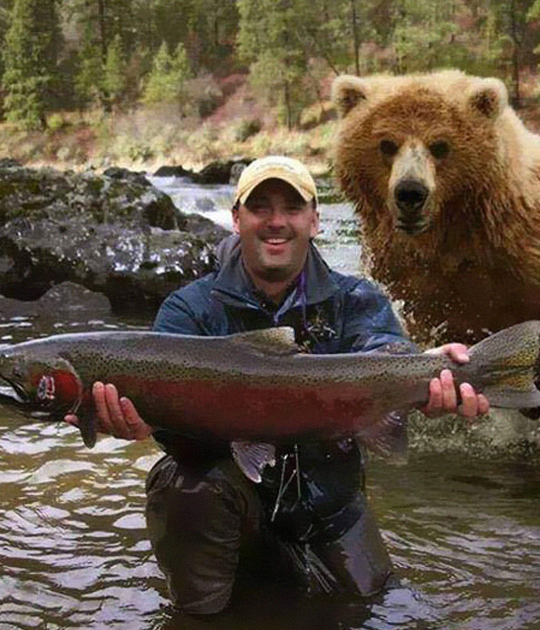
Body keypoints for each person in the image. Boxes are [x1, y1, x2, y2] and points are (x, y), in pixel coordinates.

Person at [65, 156, 490, 614]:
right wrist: (146, 424)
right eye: (260, 207)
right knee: (179, 484)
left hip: (332, 510)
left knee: (387, 614)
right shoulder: (188, 311)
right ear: (236, 220)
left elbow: (384, 352)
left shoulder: (356, 300)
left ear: (314, 220)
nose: (276, 222)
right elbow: (183, 441)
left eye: (291, 208)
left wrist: (429, 373)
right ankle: (201, 614)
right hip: (237, 509)